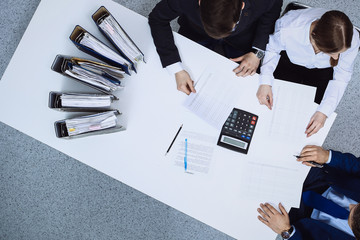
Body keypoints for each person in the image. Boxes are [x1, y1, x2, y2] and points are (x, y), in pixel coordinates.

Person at [256, 9, 360, 137]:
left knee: (307, 121)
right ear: (314, 38)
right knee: (268, 107)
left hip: (322, 71)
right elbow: (272, 50)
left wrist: (324, 112)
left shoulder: (352, 39)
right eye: (331, 53)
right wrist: (265, 82)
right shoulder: (289, 28)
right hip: (289, 62)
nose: (337, 57)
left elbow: (341, 78)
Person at [148, 0, 282, 95]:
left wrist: (257, 52)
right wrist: (175, 67)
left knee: (248, 84)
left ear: (242, 5)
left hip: (242, 39)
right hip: (196, 33)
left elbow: (272, 12)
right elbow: (157, 19)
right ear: (200, 2)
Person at [257, 145, 360, 239]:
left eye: (352, 211)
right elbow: (356, 166)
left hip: (303, 219)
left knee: (260, 194)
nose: (351, 205)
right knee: (277, 156)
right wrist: (327, 156)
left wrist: (286, 231)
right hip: (326, 181)